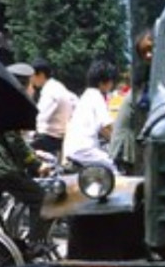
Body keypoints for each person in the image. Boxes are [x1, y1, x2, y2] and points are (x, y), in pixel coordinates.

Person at [0, 62, 51, 247]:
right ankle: (35, 246)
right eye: (31, 84)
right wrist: (36, 165)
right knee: (42, 199)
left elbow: (10, 139)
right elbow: (14, 140)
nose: (33, 89)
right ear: (24, 84)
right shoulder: (11, 103)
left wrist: (33, 153)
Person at [110, 29, 154, 173]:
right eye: (143, 53)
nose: (148, 55)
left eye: (151, 49)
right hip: (126, 147)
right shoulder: (145, 82)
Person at [63, 59, 118, 169]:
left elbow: (103, 130)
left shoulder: (86, 95)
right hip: (85, 150)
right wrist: (118, 144)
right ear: (102, 83)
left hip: (73, 149)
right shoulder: (97, 96)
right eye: (111, 81)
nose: (112, 85)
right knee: (114, 168)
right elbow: (107, 127)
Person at [30, 57, 76, 158]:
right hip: (60, 136)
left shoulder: (50, 92)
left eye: (32, 76)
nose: (31, 80)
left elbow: (38, 118)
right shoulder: (57, 86)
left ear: (41, 75)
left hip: (52, 138)